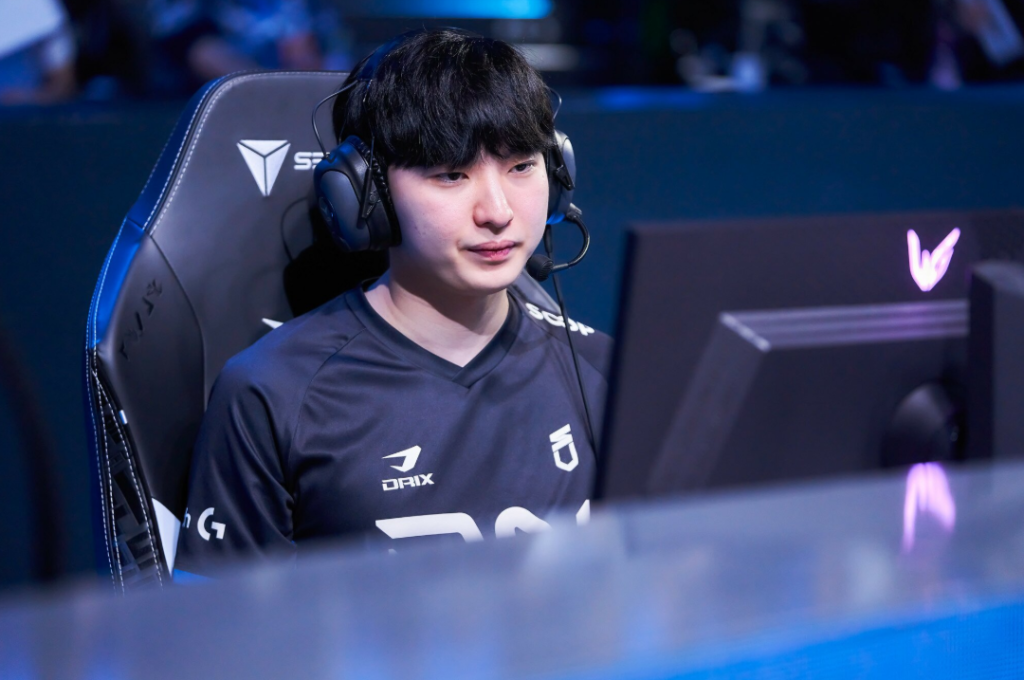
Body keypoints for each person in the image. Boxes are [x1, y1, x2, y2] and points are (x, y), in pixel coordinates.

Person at [173, 29, 611, 579]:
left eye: (521, 166)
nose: (498, 212)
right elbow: (221, 624)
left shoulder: (605, 371)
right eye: (451, 175)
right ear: (367, 194)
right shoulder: (272, 394)